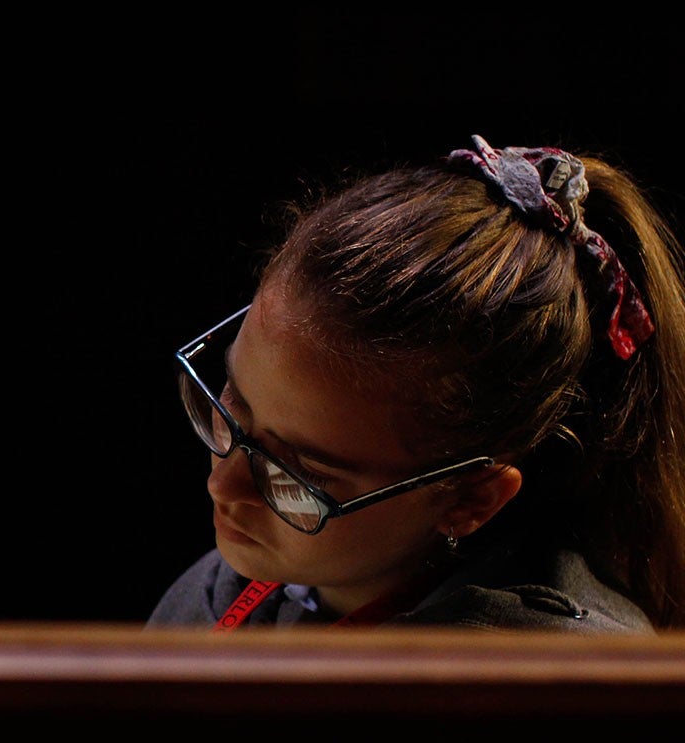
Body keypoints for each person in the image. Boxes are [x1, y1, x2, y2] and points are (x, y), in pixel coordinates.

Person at [148, 134, 685, 633]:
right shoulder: (221, 594)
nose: (224, 485)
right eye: (231, 411)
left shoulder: (548, 691)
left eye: (297, 475)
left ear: (471, 499)